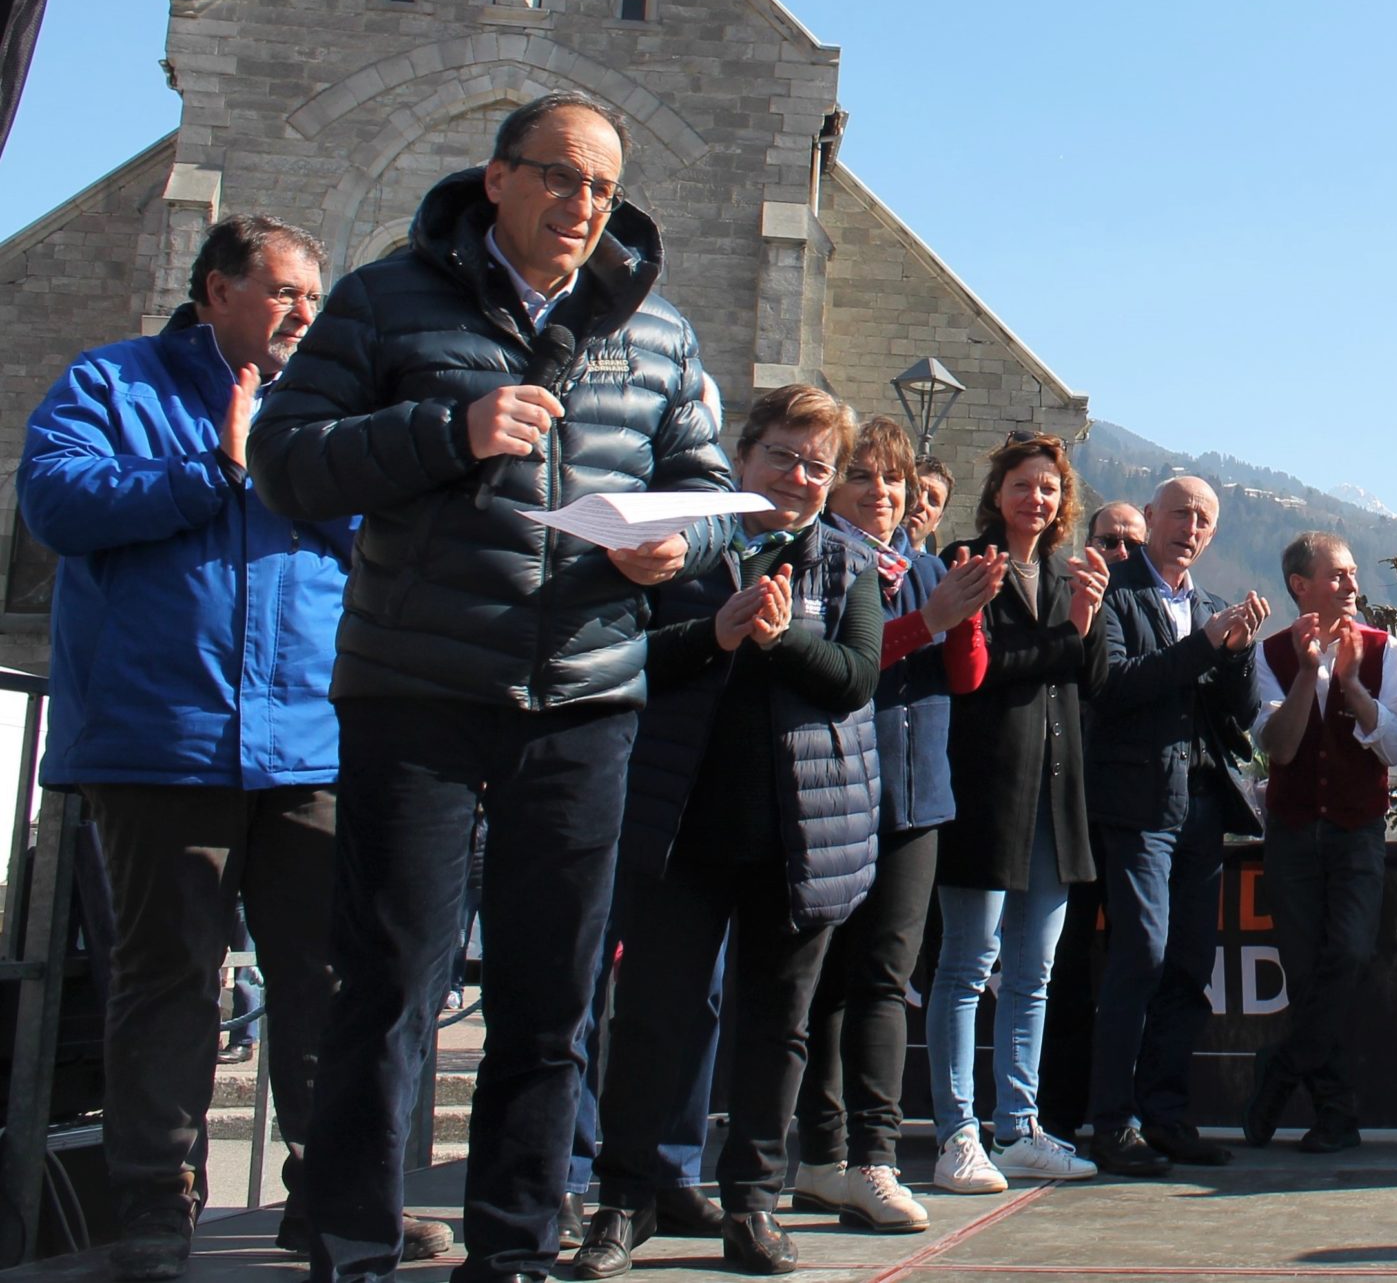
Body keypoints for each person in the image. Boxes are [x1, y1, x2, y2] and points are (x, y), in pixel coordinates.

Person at [247, 92, 731, 1283]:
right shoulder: (380, 299)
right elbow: (285, 466)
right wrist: (448, 432)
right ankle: (352, 1244)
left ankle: (513, 1246)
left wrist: (676, 552)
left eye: (603, 190)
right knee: (388, 983)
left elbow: (711, 491)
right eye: (560, 179)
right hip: (415, 686)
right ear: (498, 177)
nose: (582, 207)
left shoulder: (660, 335)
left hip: (584, 696)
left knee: (548, 996)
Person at [18, 217, 450, 1280]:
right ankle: (155, 1213)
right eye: (285, 293)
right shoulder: (113, 382)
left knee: (330, 979)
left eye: (315, 299)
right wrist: (216, 469)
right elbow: (56, 502)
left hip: (311, 740)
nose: (305, 314)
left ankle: (332, 1197)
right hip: (158, 742)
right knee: (167, 982)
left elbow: (387, 539)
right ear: (215, 291)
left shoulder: (331, 406)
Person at [563, 386, 886, 1278]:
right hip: (680, 825)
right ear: (742, 457)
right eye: (783, 454)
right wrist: (714, 631)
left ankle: (751, 1203)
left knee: (778, 1026)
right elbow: (627, 657)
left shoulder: (847, 563)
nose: (799, 476)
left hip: (802, 835)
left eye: (819, 464)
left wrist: (776, 641)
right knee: (655, 1020)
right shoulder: (682, 548)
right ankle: (622, 1200)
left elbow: (856, 677)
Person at [790, 414, 999, 1233]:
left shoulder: (917, 564)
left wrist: (967, 610)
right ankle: (821, 1155)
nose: (884, 495)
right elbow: (843, 665)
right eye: (865, 479)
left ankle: (874, 1158)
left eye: (896, 482)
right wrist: (933, 616)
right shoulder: (819, 559)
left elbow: (967, 677)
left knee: (883, 975)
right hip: (835, 792)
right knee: (825, 983)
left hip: (916, 796)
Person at [926, 432, 1112, 1194]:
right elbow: (977, 674)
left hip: (1057, 797)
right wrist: (1066, 634)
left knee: (1033, 972)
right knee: (967, 965)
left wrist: (1088, 616)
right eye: (1023, 484)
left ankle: (1020, 1126)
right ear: (997, 491)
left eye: (1049, 488)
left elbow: (1089, 677)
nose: (1036, 498)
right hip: (986, 793)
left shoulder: (1071, 572)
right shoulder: (970, 562)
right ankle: (954, 1131)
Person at [1085, 477, 1269, 1176]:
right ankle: (1112, 1120)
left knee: (1189, 965)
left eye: (1204, 519)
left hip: (1202, 805)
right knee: (1142, 955)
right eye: (1180, 513)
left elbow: (1238, 714)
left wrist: (1240, 649)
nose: (1190, 526)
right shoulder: (1115, 593)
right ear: (1152, 517)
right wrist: (1204, 647)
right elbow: (1114, 684)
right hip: (1136, 805)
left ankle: (1164, 1114)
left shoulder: (1214, 606)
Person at [1244, 532, 1397, 1153]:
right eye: (1337, 575)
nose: (1351, 585)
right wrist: (1309, 674)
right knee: (1307, 970)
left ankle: (1282, 1068)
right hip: (1291, 832)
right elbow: (1278, 748)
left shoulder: (1384, 650)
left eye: (1350, 575)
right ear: (1300, 586)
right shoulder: (1270, 655)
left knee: (1349, 955)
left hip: (1356, 829)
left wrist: (1352, 688)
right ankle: (1335, 1116)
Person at [1035, 501, 1152, 1138]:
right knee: (1064, 968)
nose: (1122, 554)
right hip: (1069, 810)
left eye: (1134, 543)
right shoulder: (1068, 600)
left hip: (1133, 812)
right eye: (1110, 540)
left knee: (1139, 962)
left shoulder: (1158, 610)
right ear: (1088, 543)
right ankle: (1055, 1112)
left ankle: (1119, 1112)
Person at [906, 455, 954, 549]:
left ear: (938, 520)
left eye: (933, 499)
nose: (922, 503)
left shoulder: (935, 564)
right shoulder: (869, 558)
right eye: (916, 491)